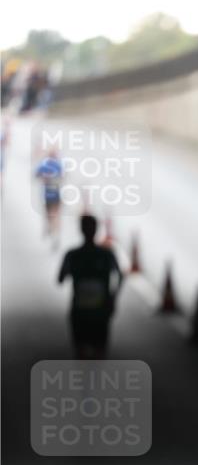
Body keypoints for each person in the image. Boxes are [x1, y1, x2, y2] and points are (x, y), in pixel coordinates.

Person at [58, 214, 123, 359]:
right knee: (100, 351)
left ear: (80, 230)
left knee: (81, 351)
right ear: (96, 230)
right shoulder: (106, 254)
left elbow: (60, 279)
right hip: (101, 310)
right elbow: (120, 275)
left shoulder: (72, 255)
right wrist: (113, 297)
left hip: (79, 310)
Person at [35, 149, 63, 242]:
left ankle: (51, 228)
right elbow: (63, 176)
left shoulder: (44, 165)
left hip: (47, 195)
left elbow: (36, 175)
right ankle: (55, 231)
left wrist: (44, 177)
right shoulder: (58, 165)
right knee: (56, 214)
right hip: (56, 194)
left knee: (49, 214)